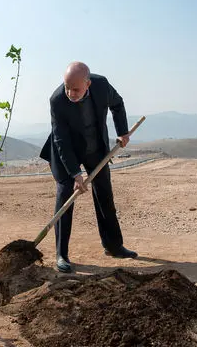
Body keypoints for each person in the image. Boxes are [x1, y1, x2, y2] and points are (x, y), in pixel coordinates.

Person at [40, 61, 137, 273]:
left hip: (95, 147)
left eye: (75, 89)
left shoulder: (102, 86)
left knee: (104, 193)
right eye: (67, 87)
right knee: (65, 195)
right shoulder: (57, 100)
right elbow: (61, 140)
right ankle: (61, 254)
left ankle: (113, 246)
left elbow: (118, 104)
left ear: (88, 84)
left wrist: (122, 131)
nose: (70, 93)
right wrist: (76, 174)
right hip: (66, 151)